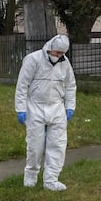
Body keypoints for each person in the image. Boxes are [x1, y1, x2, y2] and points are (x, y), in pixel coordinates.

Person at [15, 34, 77, 191]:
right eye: (57, 53)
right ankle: (30, 176)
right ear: (50, 49)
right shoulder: (33, 60)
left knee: (57, 145)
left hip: (57, 107)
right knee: (35, 145)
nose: (59, 56)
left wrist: (70, 106)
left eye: (62, 54)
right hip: (35, 107)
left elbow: (70, 85)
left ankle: (51, 179)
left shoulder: (65, 63)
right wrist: (21, 109)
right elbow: (22, 85)